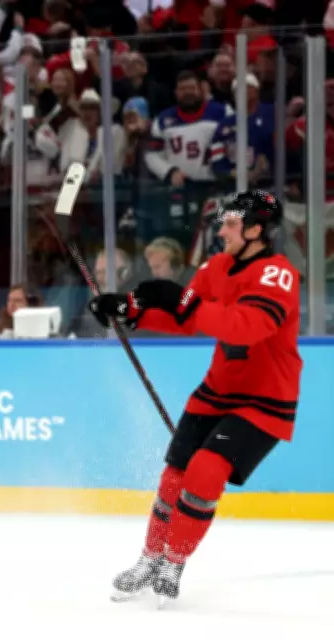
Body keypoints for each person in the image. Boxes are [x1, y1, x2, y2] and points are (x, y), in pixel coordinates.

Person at [87, 190, 301, 605]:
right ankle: (150, 558)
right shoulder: (217, 266)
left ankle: (173, 562)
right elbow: (186, 318)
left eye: (231, 225)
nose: (221, 232)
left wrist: (184, 299)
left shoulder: (278, 275)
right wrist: (130, 311)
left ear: (257, 230)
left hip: (265, 399)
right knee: (173, 478)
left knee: (205, 470)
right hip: (217, 390)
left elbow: (244, 327)